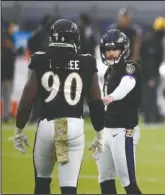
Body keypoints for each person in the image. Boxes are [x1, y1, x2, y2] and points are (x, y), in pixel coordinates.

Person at [8, 19, 105, 194]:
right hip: (72, 126)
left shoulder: (40, 59)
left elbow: (26, 101)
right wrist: (99, 134)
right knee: (68, 187)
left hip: (48, 125)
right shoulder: (86, 61)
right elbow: (96, 102)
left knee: (42, 183)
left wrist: (19, 130)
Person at [95, 29, 142, 194]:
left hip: (124, 131)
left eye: (114, 49)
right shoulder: (109, 71)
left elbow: (127, 84)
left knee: (129, 183)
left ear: (123, 50)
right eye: (108, 50)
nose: (111, 53)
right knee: (105, 181)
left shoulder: (130, 66)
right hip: (107, 130)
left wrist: (112, 97)